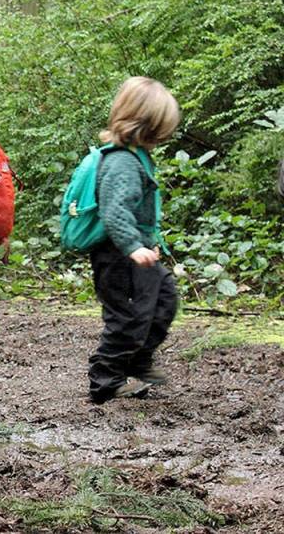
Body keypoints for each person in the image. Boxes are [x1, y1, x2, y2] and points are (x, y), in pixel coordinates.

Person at [88, 76, 181, 404]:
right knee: (127, 318)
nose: (163, 136)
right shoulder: (122, 162)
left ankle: (138, 360)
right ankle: (105, 379)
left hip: (137, 253)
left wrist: (146, 243)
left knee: (164, 300)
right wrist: (134, 246)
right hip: (117, 256)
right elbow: (114, 212)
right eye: (160, 129)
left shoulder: (136, 156)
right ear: (145, 126)